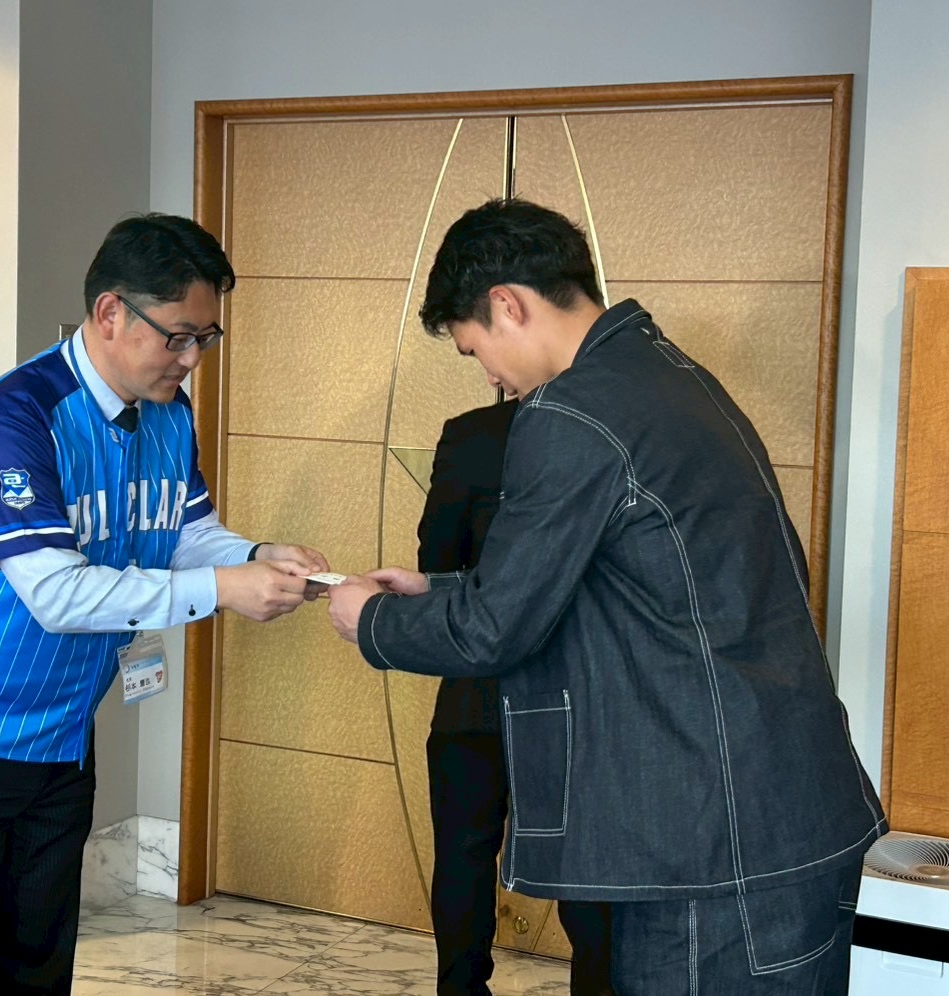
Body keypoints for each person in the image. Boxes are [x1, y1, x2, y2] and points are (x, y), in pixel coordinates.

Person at [330, 198, 886, 994]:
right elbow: (619, 581)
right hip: (785, 814)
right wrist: (437, 586)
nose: (488, 377)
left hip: (706, 844)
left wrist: (372, 620)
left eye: (475, 349)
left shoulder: (571, 412)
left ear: (507, 305)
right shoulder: (671, 377)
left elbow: (493, 631)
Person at [0, 214, 327, 996]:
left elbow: (184, 531)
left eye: (205, 339)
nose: (191, 360)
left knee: (38, 963)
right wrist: (225, 590)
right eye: (178, 337)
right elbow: (56, 593)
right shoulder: (15, 419)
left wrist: (254, 556)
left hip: (61, 737)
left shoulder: (169, 413)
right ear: (111, 312)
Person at [420, 397, 611, 995]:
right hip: (580, 692)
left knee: (463, 853)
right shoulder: (616, 429)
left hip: (478, 681)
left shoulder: (473, 434)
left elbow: (436, 561)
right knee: (589, 872)